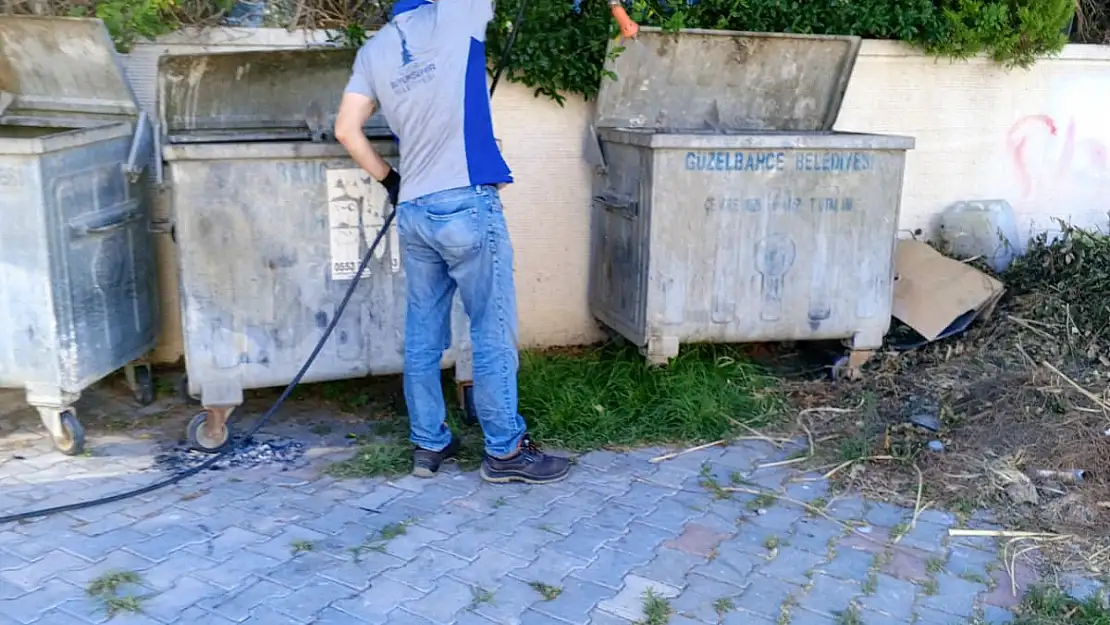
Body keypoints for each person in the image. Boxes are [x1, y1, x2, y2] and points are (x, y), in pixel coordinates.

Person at [334, 0, 571, 484]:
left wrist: (390, 180)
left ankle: (429, 444)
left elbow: (346, 129)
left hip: (415, 211)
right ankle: (505, 451)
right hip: (466, 203)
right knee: (490, 326)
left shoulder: (374, 50)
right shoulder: (459, 13)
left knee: (422, 333)